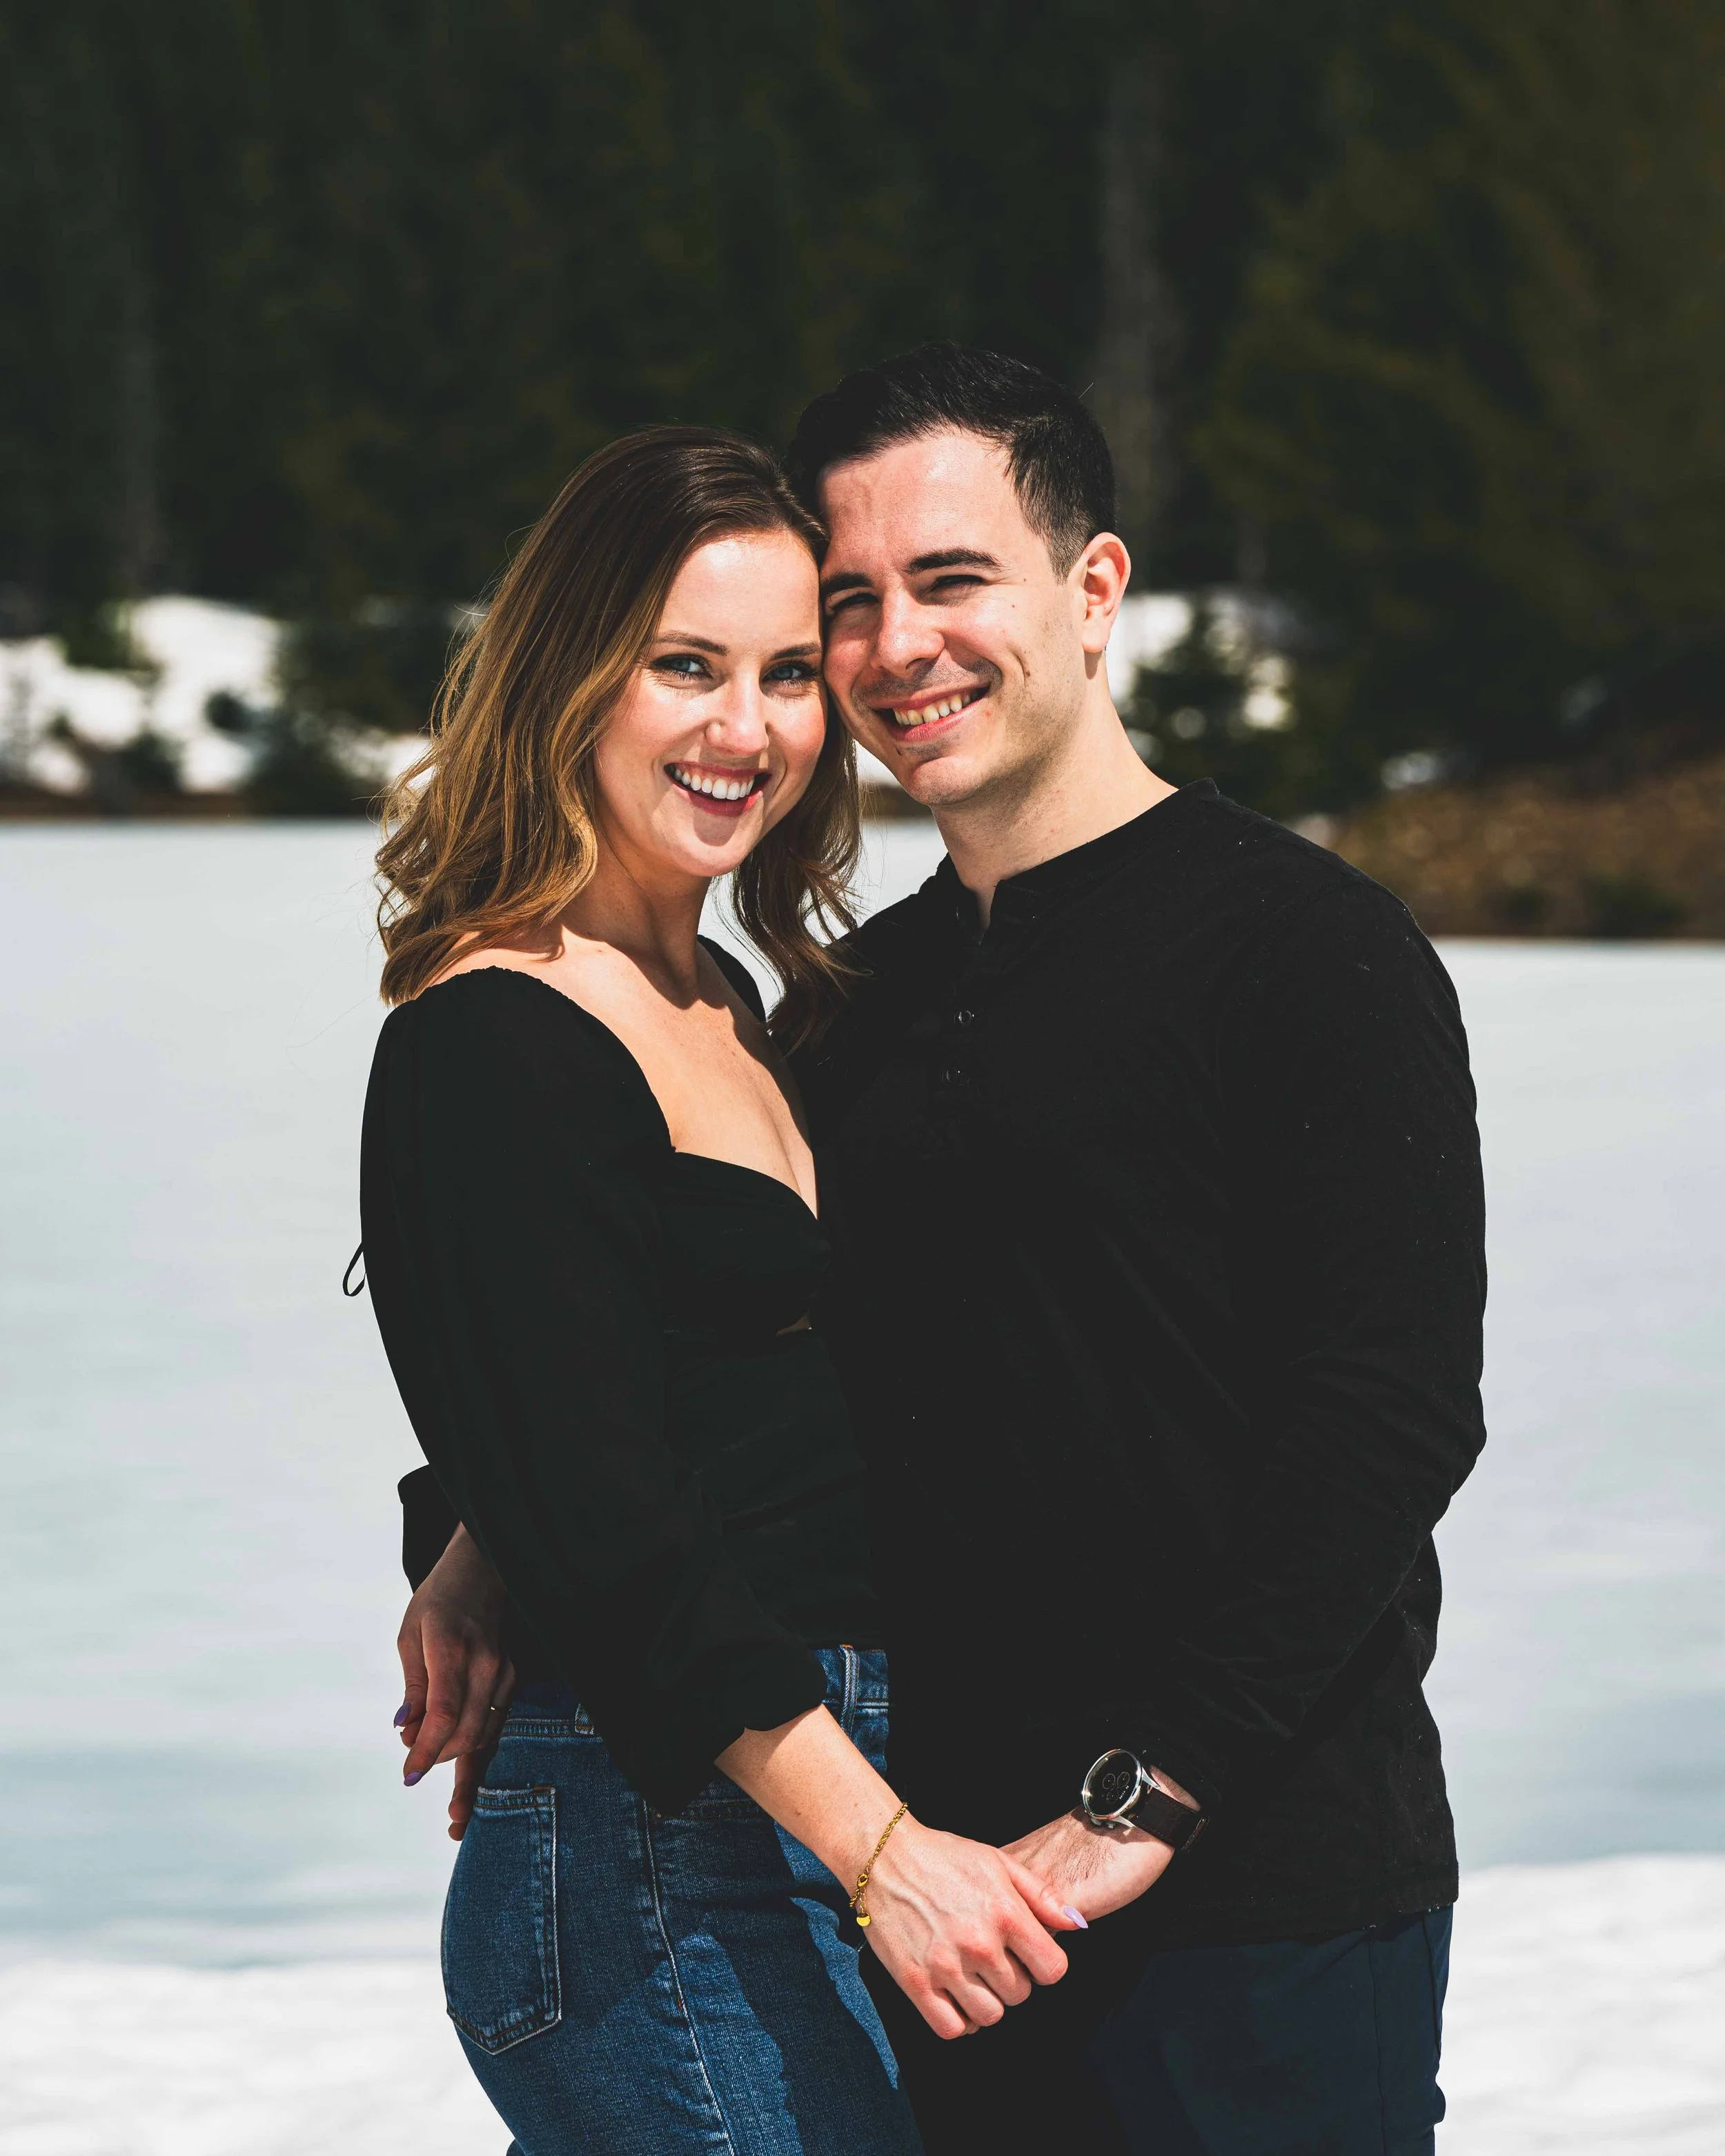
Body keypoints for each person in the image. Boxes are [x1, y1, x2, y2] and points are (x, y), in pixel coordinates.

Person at [407, 346, 1487, 2156]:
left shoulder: (1305, 951)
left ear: (1091, 588)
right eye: (852, 601)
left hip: (1262, 1889)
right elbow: (686, 1344)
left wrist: (1150, 1794)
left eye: (953, 578)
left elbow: (1382, 1418)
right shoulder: (847, 1007)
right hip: (937, 1906)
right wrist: (485, 1530)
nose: (899, 642)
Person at [361, 425, 1079, 2156]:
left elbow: (641, 1388)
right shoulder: (494, 1034)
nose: (742, 730)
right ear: (570, 671)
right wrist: (884, 1849)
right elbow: (609, 1508)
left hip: (783, 1811)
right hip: (652, 1849)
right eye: (682, 665)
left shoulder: (727, 1003)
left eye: (780, 674)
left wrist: (477, 1527)